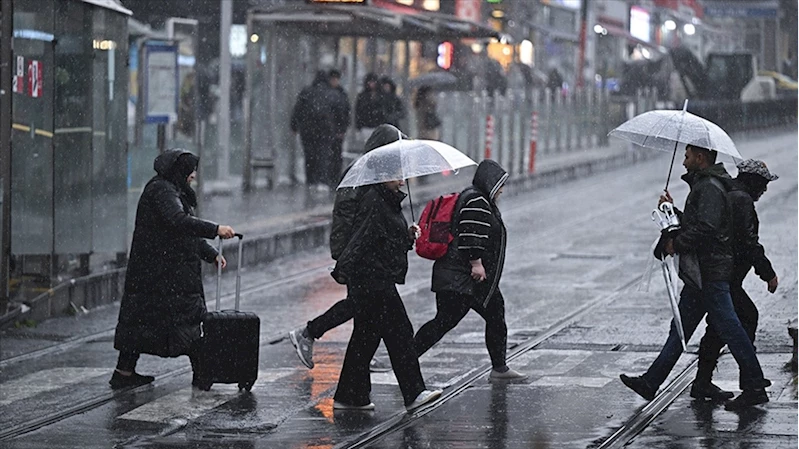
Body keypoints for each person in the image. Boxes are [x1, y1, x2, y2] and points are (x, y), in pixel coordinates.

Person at [620, 144, 771, 411]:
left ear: (701, 158)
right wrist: (671, 211)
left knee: (731, 329)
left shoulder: (710, 187)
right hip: (701, 273)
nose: (683, 162)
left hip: (710, 272)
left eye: (687, 156)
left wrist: (676, 244)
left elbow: (707, 230)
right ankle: (650, 382)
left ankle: (755, 385)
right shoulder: (704, 185)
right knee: (680, 329)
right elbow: (697, 223)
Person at [111, 149, 236, 389]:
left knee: (141, 324)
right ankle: (203, 375)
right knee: (185, 323)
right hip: (163, 275)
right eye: (191, 171)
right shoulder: (162, 191)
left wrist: (210, 253)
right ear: (180, 171)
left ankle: (124, 373)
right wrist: (215, 229)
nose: (193, 176)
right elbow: (178, 223)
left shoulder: (170, 189)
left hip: (157, 273)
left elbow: (182, 232)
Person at [289, 124, 407, 372]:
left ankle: (355, 361)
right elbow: (351, 219)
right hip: (360, 255)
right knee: (363, 306)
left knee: (363, 310)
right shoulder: (363, 175)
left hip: (364, 254)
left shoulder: (374, 174)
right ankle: (309, 332)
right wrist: (345, 256)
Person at [329, 154, 441, 412]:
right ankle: (414, 392)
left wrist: (406, 236)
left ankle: (350, 395)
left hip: (374, 277)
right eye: (397, 175)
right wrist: (343, 268)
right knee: (400, 333)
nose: (402, 180)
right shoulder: (375, 201)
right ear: (383, 177)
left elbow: (385, 240)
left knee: (365, 337)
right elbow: (363, 239)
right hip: (372, 279)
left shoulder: (387, 201)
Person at [413, 159, 526, 381]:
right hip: (464, 278)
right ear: (490, 182)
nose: (502, 189)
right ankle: (406, 359)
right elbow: (471, 235)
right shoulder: (477, 201)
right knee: (446, 321)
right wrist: (476, 263)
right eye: (500, 184)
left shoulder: (476, 198)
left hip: (464, 278)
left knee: (488, 315)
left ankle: (500, 368)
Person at [691, 159, 779, 401]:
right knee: (745, 318)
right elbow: (748, 242)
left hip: (721, 275)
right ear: (752, 181)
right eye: (763, 183)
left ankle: (702, 383)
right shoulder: (741, 199)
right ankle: (751, 387)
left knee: (719, 328)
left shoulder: (731, 194)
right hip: (725, 277)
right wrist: (768, 273)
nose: (765, 189)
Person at [291, 70, 336, 192]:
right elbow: (339, 111)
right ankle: (322, 181)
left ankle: (310, 180)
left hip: (307, 130)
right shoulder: (331, 93)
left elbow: (297, 109)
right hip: (325, 130)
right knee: (323, 155)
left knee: (309, 156)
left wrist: (294, 126)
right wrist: (337, 128)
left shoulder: (306, 92)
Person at [328, 69, 351, 186]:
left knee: (336, 154)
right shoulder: (339, 94)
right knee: (332, 154)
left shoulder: (341, 94)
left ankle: (335, 177)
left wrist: (342, 129)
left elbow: (345, 113)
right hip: (330, 130)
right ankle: (332, 177)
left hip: (336, 130)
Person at [354, 73, 386, 150]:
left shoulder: (381, 96)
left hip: (377, 125)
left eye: (373, 82)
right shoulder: (362, 96)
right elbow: (358, 111)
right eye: (370, 82)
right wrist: (359, 126)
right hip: (366, 125)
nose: (372, 84)